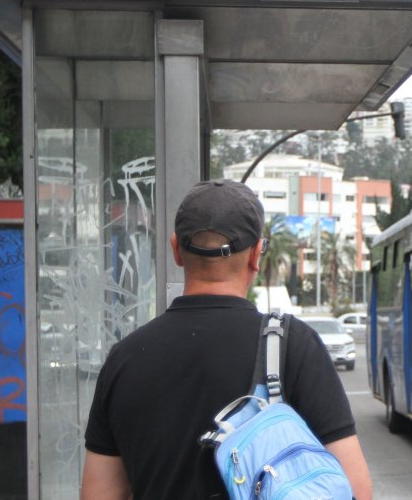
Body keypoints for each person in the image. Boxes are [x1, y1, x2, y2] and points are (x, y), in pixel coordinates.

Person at [81, 179, 373, 500]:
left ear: (176, 249)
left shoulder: (123, 359)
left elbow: (98, 494)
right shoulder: (294, 346)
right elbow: (355, 489)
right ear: (256, 255)